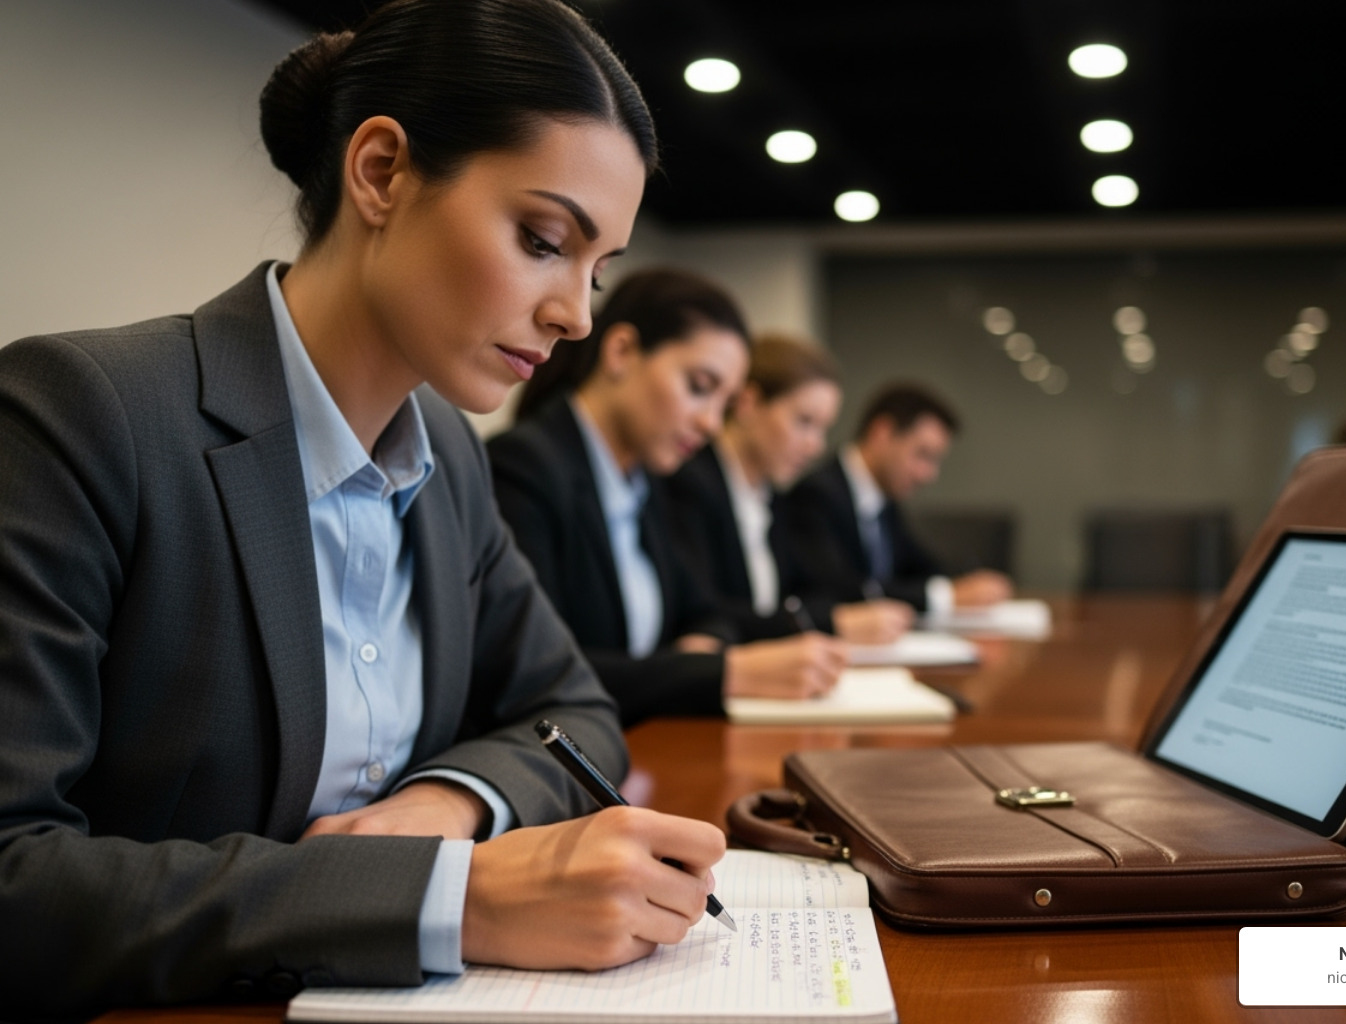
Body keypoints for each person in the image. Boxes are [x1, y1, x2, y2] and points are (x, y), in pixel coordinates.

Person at [0, 2, 726, 1016]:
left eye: (597, 270)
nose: (576, 314)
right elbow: (15, 879)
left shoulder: (452, 463)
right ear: (380, 171)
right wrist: (442, 897)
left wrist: (444, 805)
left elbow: (575, 711)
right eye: (543, 239)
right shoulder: (85, 415)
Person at [487, 271, 847, 728]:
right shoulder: (524, 467)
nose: (711, 424)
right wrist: (719, 672)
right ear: (621, 352)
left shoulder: (646, 482)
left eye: (723, 402)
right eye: (699, 387)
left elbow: (706, 612)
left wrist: (698, 644)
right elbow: (536, 671)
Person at [667, 334, 913, 643]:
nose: (815, 446)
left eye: (823, 429)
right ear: (749, 403)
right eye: (804, 422)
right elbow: (704, 614)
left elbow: (809, 589)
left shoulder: (771, 498)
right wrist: (828, 623)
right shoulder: (690, 484)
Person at [784, 382, 1013, 615]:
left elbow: (920, 565)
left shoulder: (883, 500)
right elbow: (843, 590)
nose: (929, 475)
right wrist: (946, 596)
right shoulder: (816, 495)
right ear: (882, 433)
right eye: (923, 455)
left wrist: (967, 581)